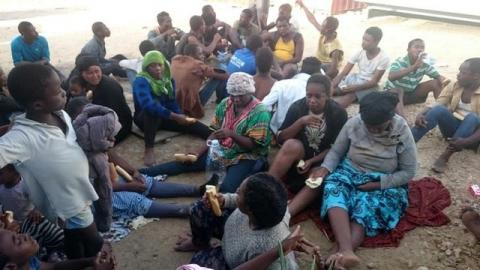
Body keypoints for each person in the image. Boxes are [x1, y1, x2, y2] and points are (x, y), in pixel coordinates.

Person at [290, 92, 417, 269]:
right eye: (369, 126)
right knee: (333, 186)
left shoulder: (401, 130)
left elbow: (408, 171)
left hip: (383, 178)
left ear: (390, 118)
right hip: (351, 169)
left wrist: (376, 185)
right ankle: (346, 250)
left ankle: (337, 254)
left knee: (367, 204)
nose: (373, 131)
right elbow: (336, 152)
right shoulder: (355, 123)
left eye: (378, 127)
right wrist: (325, 169)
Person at [1, 63, 103, 259]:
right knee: (95, 241)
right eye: (58, 91)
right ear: (38, 104)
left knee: (73, 237)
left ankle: (77, 261)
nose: (64, 93)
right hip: (69, 201)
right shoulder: (23, 136)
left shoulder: (60, 114)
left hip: (79, 188)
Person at [68, 99, 216, 223]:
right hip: (93, 197)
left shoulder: (94, 135)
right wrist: (128, 187)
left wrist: (134, 172)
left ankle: (197, 190)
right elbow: (94, 189)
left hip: (108, 182)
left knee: (145, 181)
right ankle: (187, 210)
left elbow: (113, 156)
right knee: (132, 200)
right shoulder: (74, 152)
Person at [140, 72, 272, 193]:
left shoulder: (260, 112)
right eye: (232, 95)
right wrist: (199, 151)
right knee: (184, 163)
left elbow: (253, 146)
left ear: (250, 92)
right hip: (224, 150)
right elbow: (215, 132)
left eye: (240, 96)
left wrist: (231, 134)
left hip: (246, 156)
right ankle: (143, 173)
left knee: (226, 188)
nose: (236, 99)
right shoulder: (226, 104)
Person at [174, 173, 299, 270]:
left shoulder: (265, 249)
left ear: (249, 208)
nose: (237, 190)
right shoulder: (274, 209)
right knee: (200, 208)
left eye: (240, 193)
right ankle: (199, 243)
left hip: (232, 263)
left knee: (196, 263)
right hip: (230, 236)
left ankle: (208, 249)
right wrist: (224, 200)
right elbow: (236, 199)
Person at [268, 74, 348, 203]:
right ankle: (266, 185)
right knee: (291, 145)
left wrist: (312, 161)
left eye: (318, 96)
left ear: (327, 95)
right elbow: (280, 139)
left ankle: (289, 210)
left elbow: (336, 149)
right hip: (299, 156)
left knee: (316, 180)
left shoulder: (338, 113)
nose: (312, 100)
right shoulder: (298, 107)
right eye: (308, 95)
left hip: (321, 160)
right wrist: (300, 122)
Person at [133, 50, 212, 166]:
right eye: (152, 66)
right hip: (144, 119)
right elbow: (147, 104)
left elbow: (171, 102)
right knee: (152, 109)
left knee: (190, 123)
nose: (158, 68)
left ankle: (211, 135)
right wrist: (173, 116)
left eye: (159, 64)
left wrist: (179, 116)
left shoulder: (168, 80)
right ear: (146, 68)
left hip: (164, 116)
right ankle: (149, 148)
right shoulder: (141, 81)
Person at [411, 58, 480, 173]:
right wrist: (421, 113)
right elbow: (438, 102)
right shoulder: (455, 85)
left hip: (472, 137)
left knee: (472, 117)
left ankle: (445, 156)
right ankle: (408, 141)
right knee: (439, 109)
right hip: (454, 131)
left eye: (463, 73)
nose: (458, 75)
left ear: (476, 76)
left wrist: (467, 141)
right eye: (459, 71)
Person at [0, 164, 64, 258]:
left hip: (30, 221)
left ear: (14, 172)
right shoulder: (1, 187)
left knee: (32, 242)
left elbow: (41, 199)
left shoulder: (24, 186)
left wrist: (37, 210)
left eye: (0, 173)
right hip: (12, 223)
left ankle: (41, 254)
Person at [76, 55, 132, 143]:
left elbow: (109, 117)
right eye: (89, 73)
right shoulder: (90, 82)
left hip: (120, 127)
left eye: (97, 71)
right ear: (82, 74)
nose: (95, 76)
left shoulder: (108, 87)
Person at [384, 38, 447, 117]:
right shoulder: (399, 62)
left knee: (435, 83)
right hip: (394, 95)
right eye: (416, 47)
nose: (420, 50)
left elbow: (438, 76)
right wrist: (413, 67)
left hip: (410, 94)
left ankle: (443, 110)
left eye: (422, 47)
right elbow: (391, 77)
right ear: (408, 50)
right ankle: (403, 121)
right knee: (398, 90)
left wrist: (447, 83)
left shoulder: (424, 63)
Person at [332, 26, 390, 108]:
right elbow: (344, 72)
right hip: (356, 79)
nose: (363, 42)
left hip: (369, 85)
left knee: (349, 97)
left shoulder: (384, 58)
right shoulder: (359, 52)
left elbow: (374, 81)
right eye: (363, 39)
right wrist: (332, 85)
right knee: (335, 90)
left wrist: (355, 88)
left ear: (377, 42)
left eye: (367, 40)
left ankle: (329, 109)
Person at [0, 229, 115, 270]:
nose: (25, 235)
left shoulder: (29, 263)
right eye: (18, 241)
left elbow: (54, 267)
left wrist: (89, 260)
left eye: (18, 234)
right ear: (10, 267)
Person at [262, 57, 322, 134]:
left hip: (274, 132)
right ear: (318, 74)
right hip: (299, 137)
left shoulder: (281, 84)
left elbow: (264, 105)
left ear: (300, 70)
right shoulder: (317, 94)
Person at [171, 43, 229, 118]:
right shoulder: (197, 65)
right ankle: (222, 101)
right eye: (200, 54)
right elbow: (226, 76)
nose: (203, 56)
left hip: (174, 101)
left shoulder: (176, 60)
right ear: (191, 55)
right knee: (218, 76)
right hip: (188, 105)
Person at [296, 0, 343, 79]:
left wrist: (321, 78)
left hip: (327, 67)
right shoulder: (324, 33)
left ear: (329, 29)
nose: (321, 26)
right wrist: (303, 6)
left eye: (323, 25)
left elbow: (333, 69)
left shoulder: (335, 48)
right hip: (319, 63)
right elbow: (312, 19)